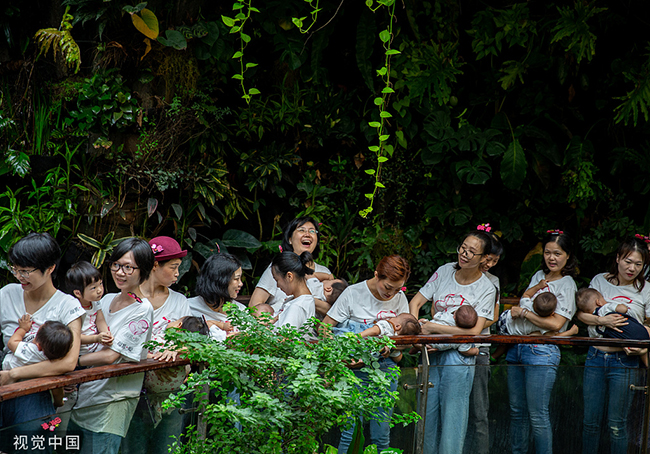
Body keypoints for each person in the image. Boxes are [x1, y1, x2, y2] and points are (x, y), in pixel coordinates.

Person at [410, 229, 497, 454]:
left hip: (458, 358)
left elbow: (476, 332)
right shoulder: (444, 271)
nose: (464, 254)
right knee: (426, 415)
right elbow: (417, 301)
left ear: (484, 259)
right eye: (463, 248)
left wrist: (434, 328)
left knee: (453, 419)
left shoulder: (487, 288)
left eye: (472, 252)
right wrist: (416, 329)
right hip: (430, 351)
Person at [69, 238, 155, 454]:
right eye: (116, 265)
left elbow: (111, 356)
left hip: (110, 405)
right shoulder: (105, 300)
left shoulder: (142, 310)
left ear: (143, 270)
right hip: (84, 398)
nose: (120, 272)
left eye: (128, 267)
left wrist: (72, 362)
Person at [0, 233, 84, 451]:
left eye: (26, 271)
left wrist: (13, 375)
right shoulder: (7, 294)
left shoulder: (68, 306)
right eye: (15, 269)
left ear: (50, 269)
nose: (19, 276)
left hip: (35, 393)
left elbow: (68, 363)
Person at [322, 255, 411, 453]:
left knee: (382, 430)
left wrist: (390, 348)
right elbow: (325, 328)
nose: (392, 294)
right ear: (376, 274)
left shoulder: (400, 298)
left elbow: (405, 336)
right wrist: (341, 357)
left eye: (398, 289)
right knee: (350, 430)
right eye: (388, 287)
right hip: (352, 369)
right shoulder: (353, 293)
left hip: (385, 368)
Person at [576, 236, 650, 454]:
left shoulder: (646, 289)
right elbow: (582, 313)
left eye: (638, 264)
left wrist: (644, 349)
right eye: (628, 261)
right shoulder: (599, 281)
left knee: (617, 424)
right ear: (618, 258)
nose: (632, 268)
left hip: (625, 360)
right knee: (590, 422)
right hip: (596, 356)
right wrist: (601, 320)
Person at [506, 230, 577, 454]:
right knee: (517, 411)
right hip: (518, 346)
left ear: (567, 256)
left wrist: (526, 315)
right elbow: (525, 299)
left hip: (543, 351)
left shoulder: (567, 284)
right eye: (547, 252)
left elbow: (556, 324)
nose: (552, 258)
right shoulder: (538, 276)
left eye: (557, 253)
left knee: (537, 414)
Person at [122, 236, 192, 454]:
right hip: (134, 390)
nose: (177, 273)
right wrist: (152, 362)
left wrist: (176, 354)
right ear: (154, 265)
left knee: (168, 447)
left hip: (172, 393)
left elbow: (195, 342)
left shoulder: (180, 301)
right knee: (135, 447)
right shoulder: (127, 299)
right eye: (173, 267)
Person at [464, 227, 503, 454]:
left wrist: (469, 326)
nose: (489, 264)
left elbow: (494, 316)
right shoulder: (451, 273)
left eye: (494, 261)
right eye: (487, 259)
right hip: (456, 344)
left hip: (480, 347)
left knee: (479, 411)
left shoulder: (492, 282)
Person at [249, 216, 333, 313]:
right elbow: (254, 304)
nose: (307, 234)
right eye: (301, 230)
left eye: (312, 231)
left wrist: (302, 299)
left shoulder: (324, 272)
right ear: (290, 240)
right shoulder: (279, 267)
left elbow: (333, 311)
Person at [2, 318, 73, 407]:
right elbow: (57, 390)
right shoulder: (54, 365)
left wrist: (23, 329)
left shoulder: (33, 351)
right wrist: (59, 402)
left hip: (5, 366)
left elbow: (11, 343)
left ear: (38, 346)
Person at [576, 287, 650, 367]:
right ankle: (647, 364)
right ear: (598, 302)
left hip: (618, 345)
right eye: (602, 297)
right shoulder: (606, 308)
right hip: (637, 333)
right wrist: (621, 305)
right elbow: (623, 309)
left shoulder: (591, 327)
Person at [188, 253, 246, 340]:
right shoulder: (189, 307)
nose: (240, 284)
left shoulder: (241, 311)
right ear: (221, 281)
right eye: (236, 279)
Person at [271, 251, 316, 329]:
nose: (277, 286)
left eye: (277, 280)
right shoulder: (303, 300)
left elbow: (283, 338)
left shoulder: (296, 306)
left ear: (289, 276)